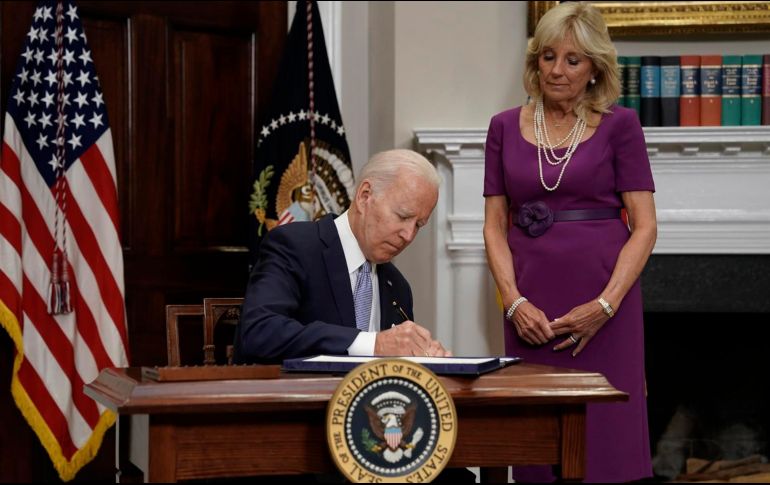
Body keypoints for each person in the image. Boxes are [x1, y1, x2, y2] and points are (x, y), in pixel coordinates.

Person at [482, 2, 657, 482]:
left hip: (606, 302)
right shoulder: (502, 126)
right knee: (535, 436)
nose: (557, 70)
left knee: (608, 439)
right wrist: (513, 302)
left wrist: (604, 305)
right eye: (548, 57)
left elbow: (645, 226)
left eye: (573, 60)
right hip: (530, 304)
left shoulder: (621, 125)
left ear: (595, 68)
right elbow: (494, 225)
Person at [234, 148, 451, 364]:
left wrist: (424, 357)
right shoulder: (294, 246)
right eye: (402, 216)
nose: (409, 235)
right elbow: (259, 332)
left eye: (418, 225)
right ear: (365, 196)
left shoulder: (398, 286)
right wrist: (372, 344)